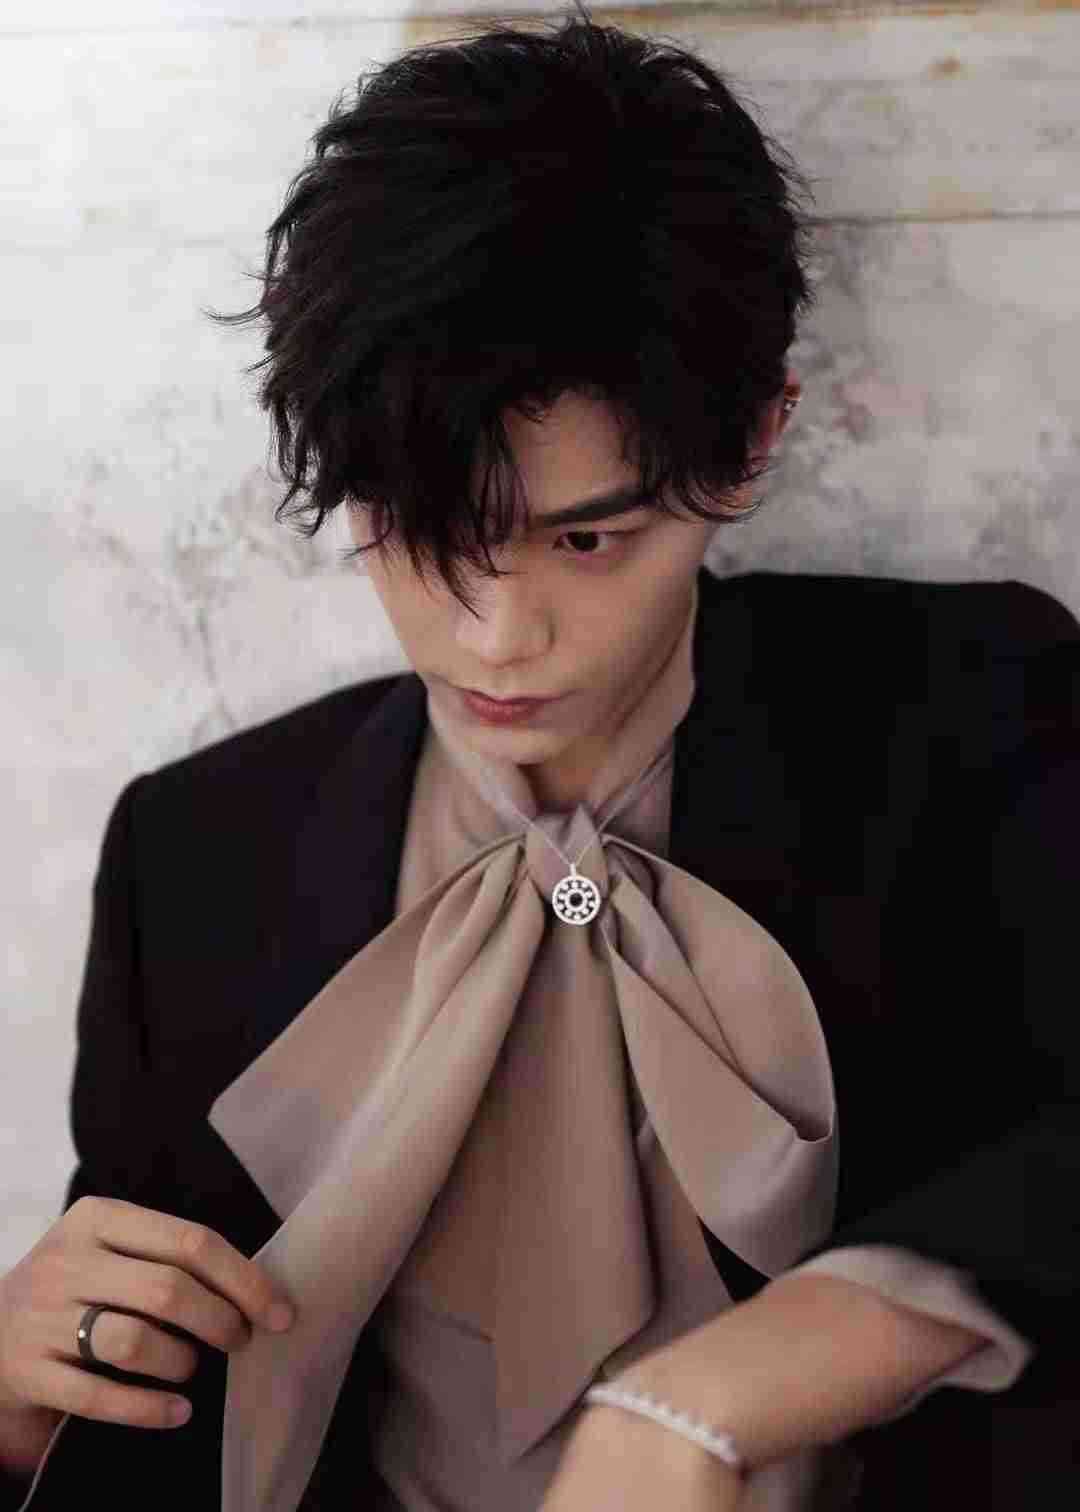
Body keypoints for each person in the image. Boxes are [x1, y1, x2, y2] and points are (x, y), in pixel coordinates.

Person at [1, 5, 1078, 1509]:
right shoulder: (193, 855)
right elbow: (133, 1405)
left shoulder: (970, 706)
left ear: (755, 439)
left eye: (587, 541)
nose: (498, 638)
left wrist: (726, 1395)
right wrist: (17, 1400)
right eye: (420, 533)